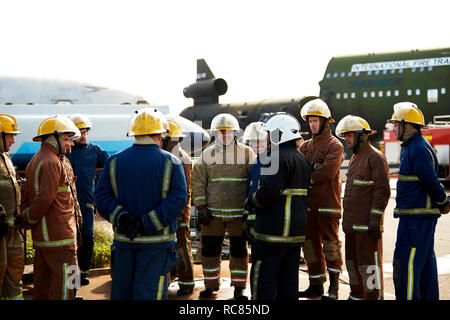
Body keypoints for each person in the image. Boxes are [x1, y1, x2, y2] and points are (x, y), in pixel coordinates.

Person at [94, 108, 187, 300]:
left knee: (122, 294)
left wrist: (123, 218)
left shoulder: (113, 161)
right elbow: (178, 198)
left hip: (124, 244)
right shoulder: (172, 162)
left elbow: (101, 196)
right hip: (157, 246)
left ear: (134, 133)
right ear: (159, 135)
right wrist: (148, 222)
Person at [387, 102, 450, 300]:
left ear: (408, 126)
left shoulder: (417, 148)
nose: (394, 128)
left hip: (416, 221)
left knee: (407, 267)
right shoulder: (411, 147)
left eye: (397, 124)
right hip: (417, 219)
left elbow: (431, 181)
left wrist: (444, 202)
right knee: (425, 267)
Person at [245, 113, 311, 300]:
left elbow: (268, 193)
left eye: (269, 134)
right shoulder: (303, 159)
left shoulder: (275, 158)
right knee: (289, 282)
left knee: (263, 278)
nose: (267, 139)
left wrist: (251, 201)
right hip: (295, 234)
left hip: (272, 233)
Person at [15, 116, 81, 300]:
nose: (71, 144)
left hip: (43, 240)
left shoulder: (35, 160)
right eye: (67, 138)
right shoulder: (53, 162)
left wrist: (28, 218)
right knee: (71, 281)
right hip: (61, 238)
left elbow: (29, 196)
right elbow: (45, 198)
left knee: (43, 285)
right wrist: (29, 218)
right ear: (55, 138)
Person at [191, 113, 255, 300]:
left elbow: (253, 181)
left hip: (238, 214)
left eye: (228, 132)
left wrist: (250, 209)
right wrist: (201, 206)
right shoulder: (207, 154)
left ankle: (239, 287)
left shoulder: (246, 153)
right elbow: (198, 180)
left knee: (239, 251)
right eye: (221, 132)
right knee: (209, 250)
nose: (224, 135)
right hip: (212, 214)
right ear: (215, 134)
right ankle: (210, 286)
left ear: (234, 133)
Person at [335, 115, 390, 300]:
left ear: (363, 135)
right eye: (345, 135)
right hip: (351, 226)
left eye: (350, 135)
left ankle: (373, 297)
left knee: (369, 266)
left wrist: (375, 219)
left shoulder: (375, 157)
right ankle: (357, 295)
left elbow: (382, 191)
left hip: (367, 227)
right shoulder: (355, 158)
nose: (347, 139)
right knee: (351, 263)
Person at [298, 99, 344, 300]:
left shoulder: (335, 145)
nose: (312, 125)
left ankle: (333, 288)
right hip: (308, 206)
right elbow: (298, 170)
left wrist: (309, 170)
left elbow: (327, 171)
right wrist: (313, 167)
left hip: (328, 205)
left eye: (316, 121)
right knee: (309, 245)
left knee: (330, 245)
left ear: (326, 122)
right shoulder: (305, 146)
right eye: (310, 121)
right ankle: (315, 284)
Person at [66, 114, 109, 286]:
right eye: (79, 133)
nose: (83, 136)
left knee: (87, 238)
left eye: (85, 133)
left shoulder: (95, 150)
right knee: (71, 243)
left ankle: (83, 272)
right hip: (68, 207)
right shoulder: (66, 151)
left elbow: (111, 164)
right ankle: (73, 280)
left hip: (87, 206)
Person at [162, 119, 195, 296]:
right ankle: (179, 277)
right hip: (174, 212)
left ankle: (186, 282)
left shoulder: (178, 159)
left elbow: (184, 192)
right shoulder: (175, 156)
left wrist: (180, 215)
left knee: (181, 248)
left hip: (178, 214)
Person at [0, 114, 24, 300]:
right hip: (0, 232)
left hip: (12, 230)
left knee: (15, 272)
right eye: (10, 135)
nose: (14, 140)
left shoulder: (6, 158)